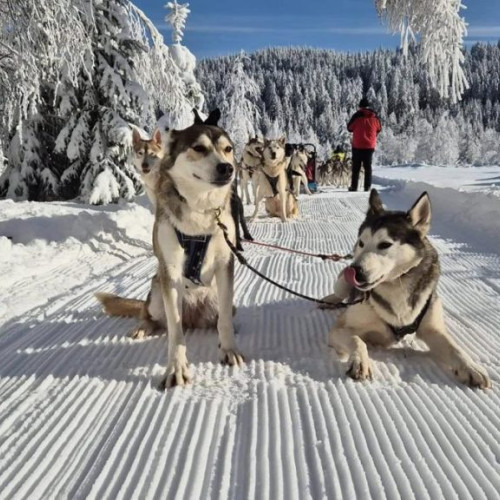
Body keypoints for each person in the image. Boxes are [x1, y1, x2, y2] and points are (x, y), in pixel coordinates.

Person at [347, 98, 382, 191]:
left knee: (356, 167)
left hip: (357, 145)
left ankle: (354, 187)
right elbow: (379, 128)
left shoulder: (357, 116)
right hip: (369, 146)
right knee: (368, 167)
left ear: (360, 106)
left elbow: (349, 128)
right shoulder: (375, 117)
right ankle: (367, 186)